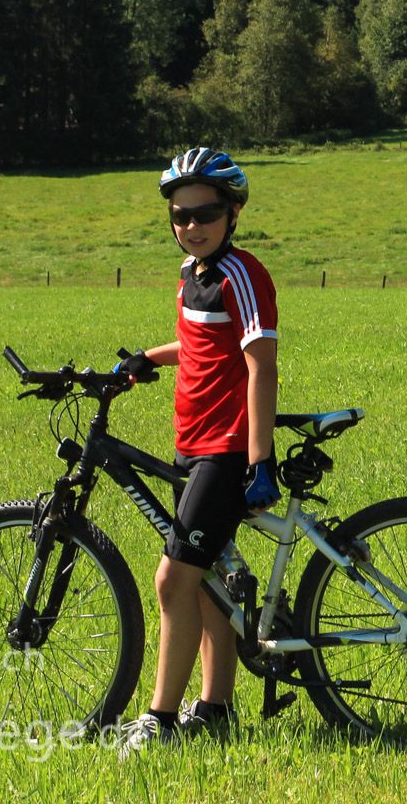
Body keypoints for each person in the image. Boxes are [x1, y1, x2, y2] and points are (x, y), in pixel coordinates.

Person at [117, 148, 280, 756]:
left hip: (227, 449)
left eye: (204, 212)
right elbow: (201, 347)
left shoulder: (243, 274)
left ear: (233, 211)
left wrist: (258, 460)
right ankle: (213, 710)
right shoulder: (192, 275)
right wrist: (146, 359)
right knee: (207, 579)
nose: (190, 225)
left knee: (172, 580)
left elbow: (260, 366)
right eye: (179, 216)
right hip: (192, 444)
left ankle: (159, 722)